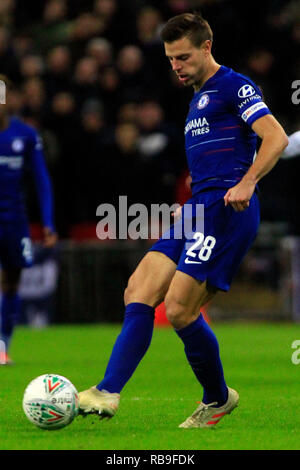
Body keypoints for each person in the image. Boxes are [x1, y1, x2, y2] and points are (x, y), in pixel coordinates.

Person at [78, 13, 288, 428]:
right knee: (138, 288)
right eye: (171, 58)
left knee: (178, 310)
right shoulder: (196, 98)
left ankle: (217, 397)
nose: (176, 65)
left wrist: (247, 182)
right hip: (197, 209)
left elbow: (276, 136)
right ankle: (107, 391)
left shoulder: (234, 85)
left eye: (184, 57)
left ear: (206, 47)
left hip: (229, 210)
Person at [0, 75, 57, 365]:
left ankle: (3, 345)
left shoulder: (25, 135)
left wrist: (48, 222)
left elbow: (41, 180)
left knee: (11, 283)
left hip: (14, 221)